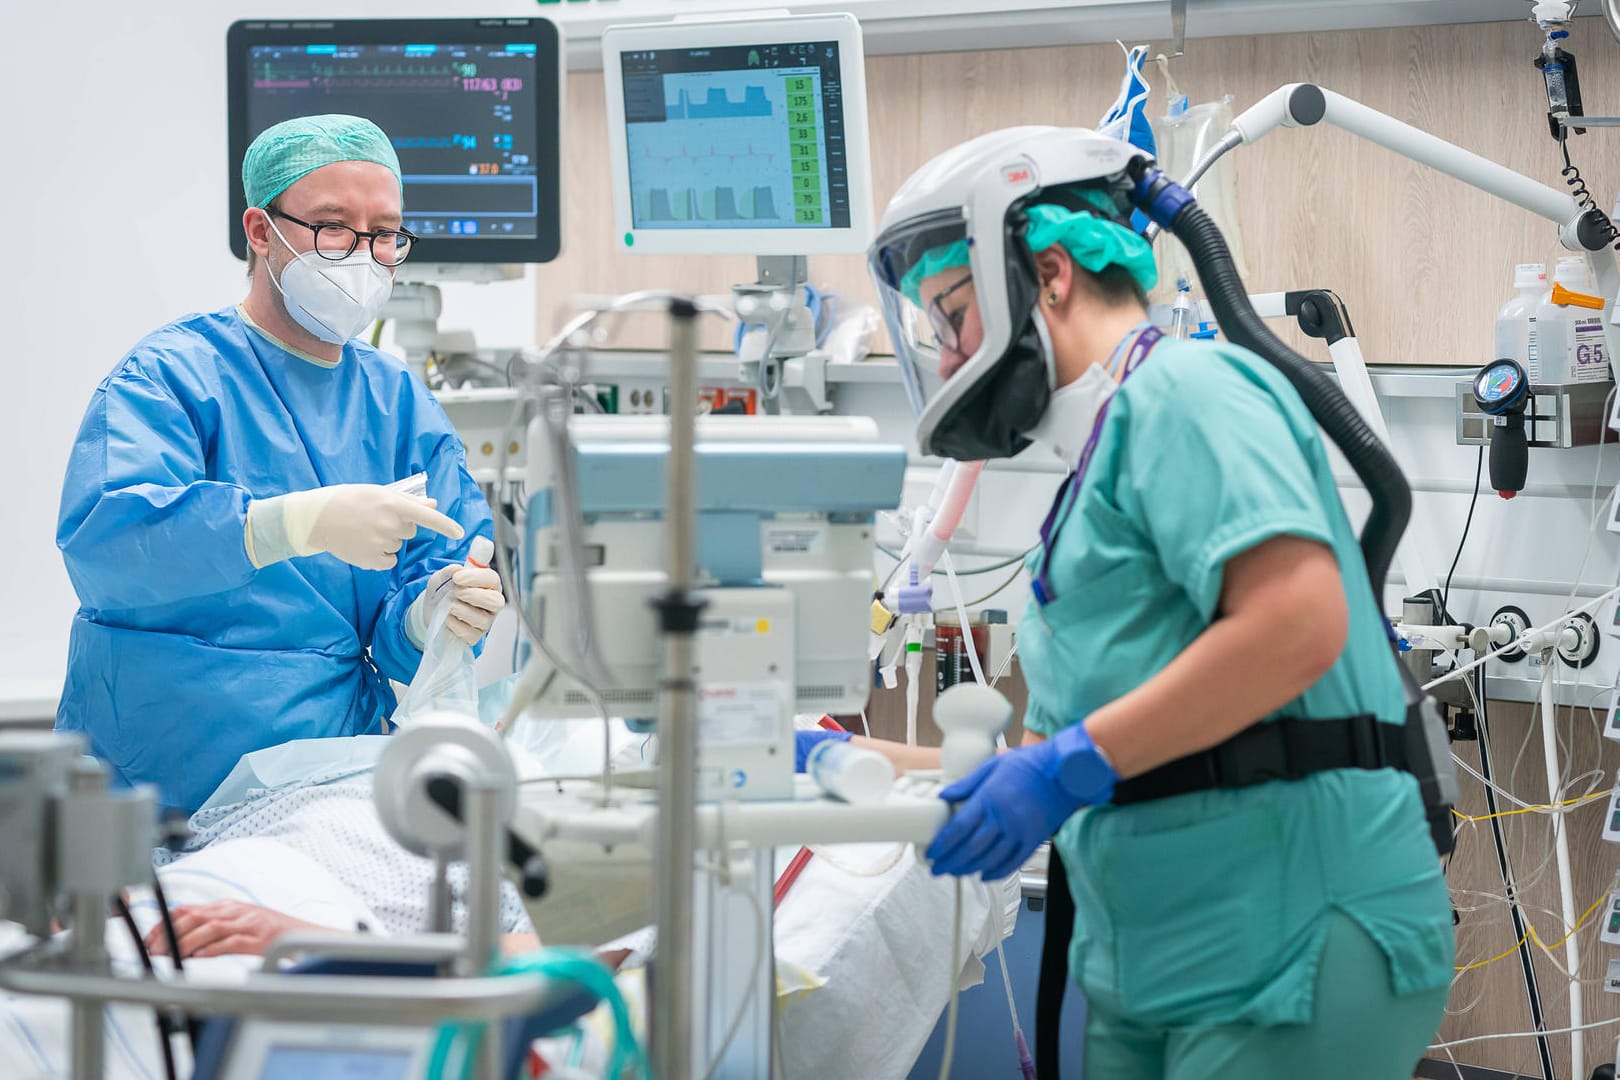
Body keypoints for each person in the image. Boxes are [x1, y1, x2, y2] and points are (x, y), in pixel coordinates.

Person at [867, 127, 1454, 1079]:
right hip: (1172, 960)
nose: (945, 360)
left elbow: (1297, 624)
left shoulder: (1188, 395)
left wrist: (1065, 768)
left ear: (1049, 273)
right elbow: (1108, 742)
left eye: (953, 316)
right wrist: (847, 760)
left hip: (1290, 943)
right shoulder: (1105, 456)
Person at [56, 114, 505, 813]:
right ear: (261, 231)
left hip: (331, 778)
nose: (363, 255)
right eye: (332, 226)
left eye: (385, 234)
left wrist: (433, 617)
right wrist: (290, 524)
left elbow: (423, 602)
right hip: (163, 786)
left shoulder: (396, 404)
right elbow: (109, 545)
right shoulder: (171, 378)